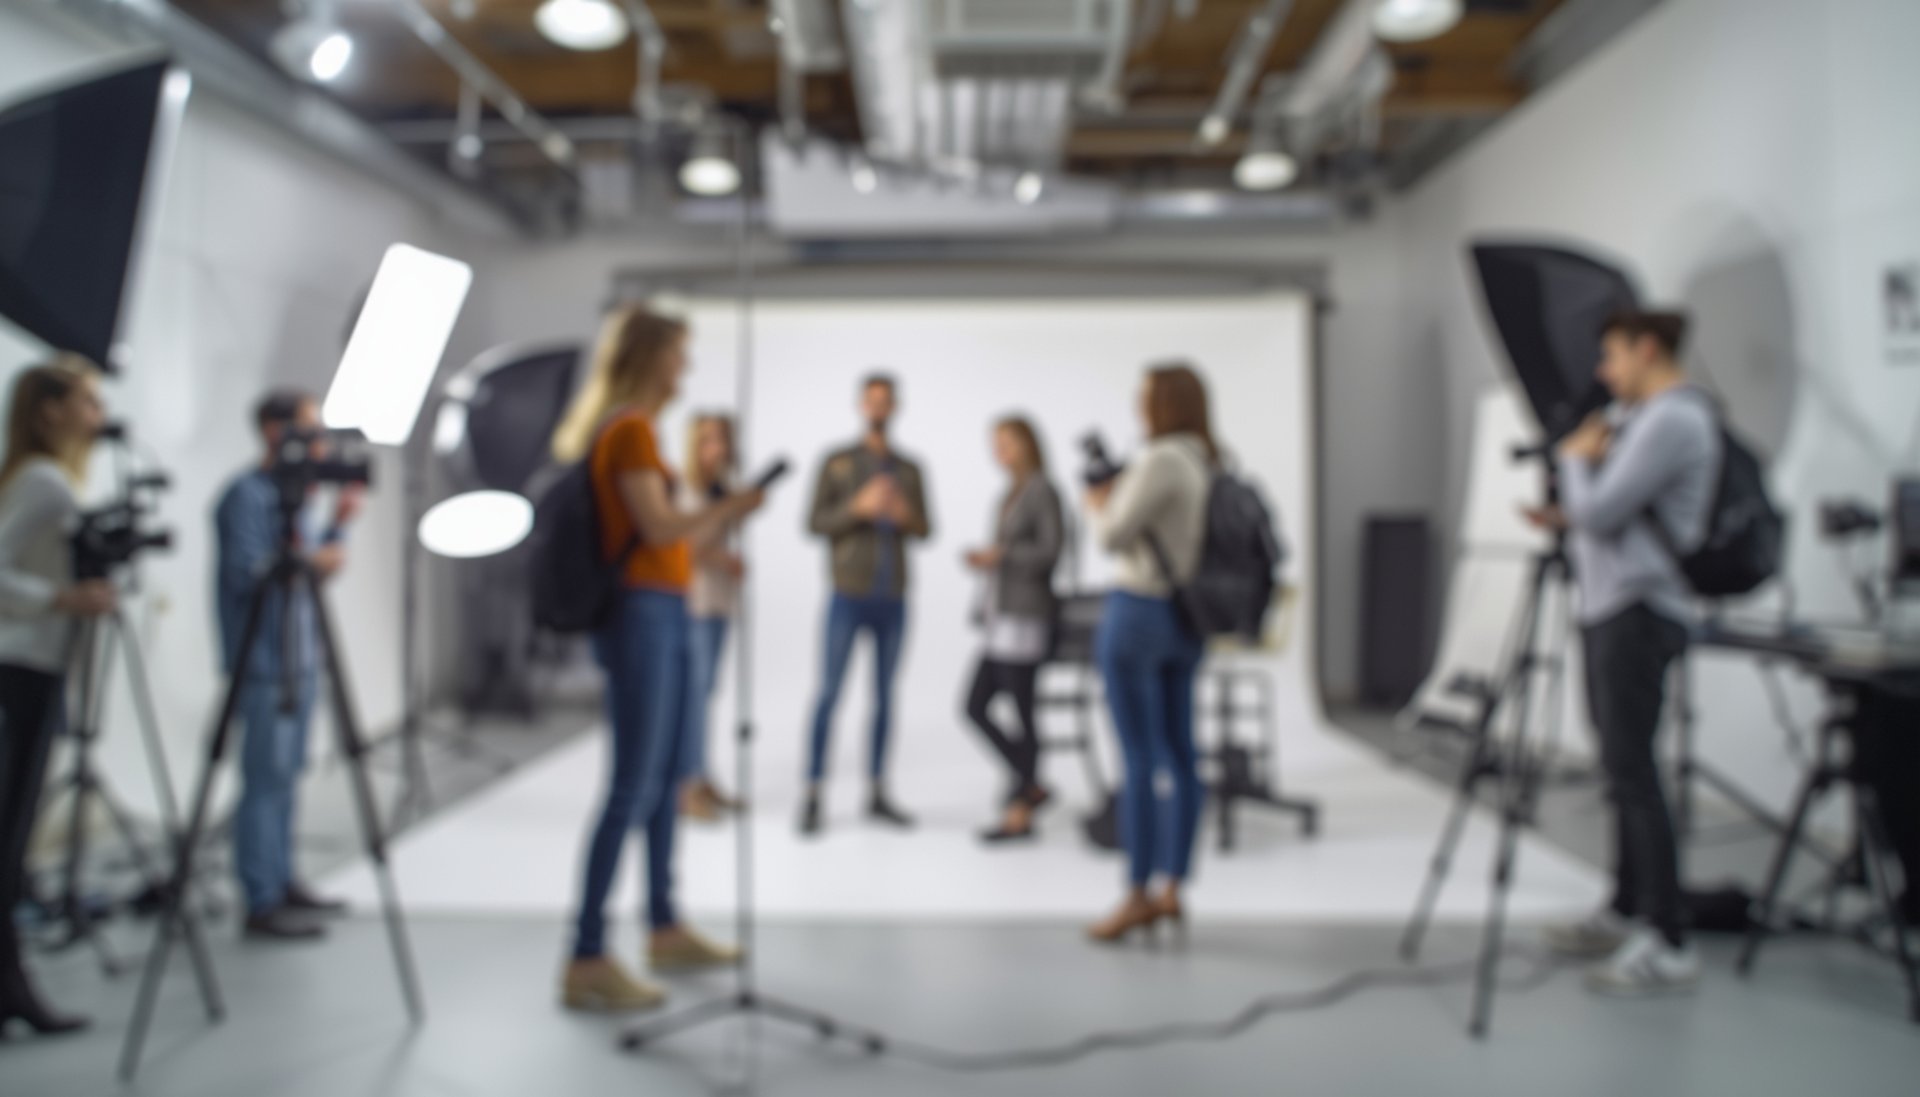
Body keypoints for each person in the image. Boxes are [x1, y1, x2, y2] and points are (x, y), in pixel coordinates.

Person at [553, 305, 765, 1013]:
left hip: (667, 606)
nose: (686, 369)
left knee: (670, 777)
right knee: (632, 785)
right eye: (678, 355)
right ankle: (586, 954)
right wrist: (728, 507)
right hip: (642, 611)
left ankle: (664, 925)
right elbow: (659, 525)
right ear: (650, 359)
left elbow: (669, 534)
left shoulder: (638, 432)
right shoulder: (631, 431)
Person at [1527, 310, 1719, 995]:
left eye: (1612, 356)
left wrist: (1573, 462)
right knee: (1619, 769)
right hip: (1612, 606)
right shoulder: (1643, 421)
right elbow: (1606, 513)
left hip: (1638, 611)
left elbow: (1601, 510)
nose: (1604, 372)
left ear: (1648, 350)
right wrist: (1573, 504)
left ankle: (1668, 939)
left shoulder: (1673, 419)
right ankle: (1624, 907)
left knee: (1635, 774)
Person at [214, 390, 360, 941]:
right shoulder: (246, 496)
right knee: (264, 779)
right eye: (309, 432)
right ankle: (260, 897)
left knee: (290, 774)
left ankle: (282, 879)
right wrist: (310, 559)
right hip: (263, 661)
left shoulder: (297, 500)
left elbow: (310, 569)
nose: (319, 445)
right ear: (274, 430)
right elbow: (250, 571)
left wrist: (339, 525)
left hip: (300, 657)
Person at [1084, 363, 1214, 944]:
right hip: (1187, 618)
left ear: (1163, 405)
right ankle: (1173, 889)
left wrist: (1098, 500)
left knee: (1136, 758)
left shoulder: (1159, 460)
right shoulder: (1207, 460)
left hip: (1138, 612)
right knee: (1182, 756)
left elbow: (1111, 534)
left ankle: (1136, 892)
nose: (1139, 408)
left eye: (1145, 398)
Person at [0, 357, 111, 1036]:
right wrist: (62, 597)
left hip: (29, 667)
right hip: (21, 667)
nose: (100, 416)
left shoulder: (36, 476)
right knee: (9, 838)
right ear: (50, 411)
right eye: (88, 402)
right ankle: (10, 985)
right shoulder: (44, 481)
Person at [799, 374, 932, 837]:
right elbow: (814, 522)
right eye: (872, 400)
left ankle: (877, 790)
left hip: (892, 595)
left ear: (895, 406)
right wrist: (857, 507)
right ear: (861, 404)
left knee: (884, 697)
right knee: (829, 694)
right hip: (848, 593)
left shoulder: (910, 469)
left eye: (886, 400)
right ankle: (813, 791)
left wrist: (903, 515)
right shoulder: (837, 462)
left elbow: (926, 528)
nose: (878, 407)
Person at [961, 417, 1064, 843]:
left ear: (1028, 443)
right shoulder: (1011, 493)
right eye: (995, 443)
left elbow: (1051, 550)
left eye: (1007, 442)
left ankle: (1021, 811)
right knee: (974, 706)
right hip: (1000, 616)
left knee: (1022, 712)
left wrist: (1002, 555)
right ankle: (1031, 783)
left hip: (1026, 616)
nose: (999, 450)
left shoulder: (1042, 490)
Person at [678, 413, 745, 821]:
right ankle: (687, 785)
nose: (717, 448)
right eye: (708, 440)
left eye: (722, 440)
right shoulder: (687, 490)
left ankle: (701, 776)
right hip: (697, 603)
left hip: (720, 601)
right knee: (694, 696)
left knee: (706, 694)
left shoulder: (719, 488)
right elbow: (684, 543)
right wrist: (722, 557)